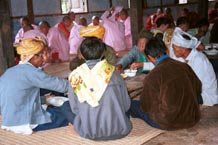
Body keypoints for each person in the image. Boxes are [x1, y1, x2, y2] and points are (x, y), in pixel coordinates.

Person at [0, 37, 70, 135]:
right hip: (27, 122)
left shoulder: (9, 72)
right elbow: (63, 86)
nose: (44, 60)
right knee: (69, 113)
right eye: (42, 56)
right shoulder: (32, 72)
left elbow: (19, 97)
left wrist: (43, 100)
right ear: (33, 56)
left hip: (9, 120)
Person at [66, 37, 132, 140]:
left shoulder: (75, 77)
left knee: (65, 106)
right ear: (102, 54)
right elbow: (126, 105)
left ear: (82, 55)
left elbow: (75, 109)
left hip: (89, 131)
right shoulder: (114, 73)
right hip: (120, 129)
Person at [130, 38, 201, 130]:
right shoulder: (185, 66)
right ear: (166, 50)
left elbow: (146, 106)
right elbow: (198, 88)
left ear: (150, 57)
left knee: (132, 104)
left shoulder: (152, 76)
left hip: (168, 122)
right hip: (191, 117)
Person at [172, 28, 218, 106]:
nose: (173, 50)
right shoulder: (180, 57)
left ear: (183, 49)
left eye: (174, 48)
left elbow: (196, 86)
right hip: (193, 90)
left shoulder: (199, 60)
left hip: (206, 95)